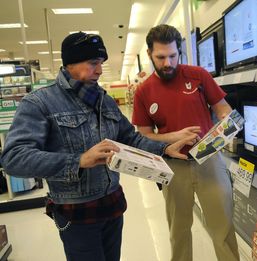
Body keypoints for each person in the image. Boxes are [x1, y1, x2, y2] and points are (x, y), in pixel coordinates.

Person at [0, 32, 196, 261]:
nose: (100, 70)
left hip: (112, 205)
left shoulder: (104, 100)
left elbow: (130, 138)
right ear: (70, 63)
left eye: (100, 63)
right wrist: (78, 160)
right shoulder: (40, 103)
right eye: (93, 63)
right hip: (76, 213)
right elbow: (13, 158)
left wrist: (163, 149)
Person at [132, 24, 240, 261]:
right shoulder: (143, 92)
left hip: (209, 159)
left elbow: (224, 109)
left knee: (222, 227)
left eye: (173, 55)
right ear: (150, 54)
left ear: (179, 51)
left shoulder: (198, 75)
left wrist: (225, 120)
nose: (168, 63)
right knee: (179, 230)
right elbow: (144, 136)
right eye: (161, 57)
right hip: (171, 166)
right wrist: (174, 136)